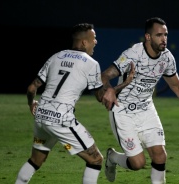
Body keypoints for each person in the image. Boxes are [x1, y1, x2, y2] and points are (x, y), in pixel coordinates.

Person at [15, 23, 134, 184]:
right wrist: (125, 83)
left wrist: (31, 104)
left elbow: (31, 88)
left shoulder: (56, 56)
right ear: (84, 42)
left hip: (41, 115)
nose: (96, 42)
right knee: (96, 160)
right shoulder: (91, 63)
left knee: (36, 160)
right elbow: (102, 97)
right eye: (94, 38)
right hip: (61, 118)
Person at [101, 17, 179, 184]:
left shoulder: (167, 58)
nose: (164, 39)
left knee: (160, 155)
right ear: (148, 37)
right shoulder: (132, 55)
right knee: (137, 163)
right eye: (159, 35)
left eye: (166, 35)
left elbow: (176, 85)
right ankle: (112, 157)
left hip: (146, 108)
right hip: (123, 111)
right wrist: (109, 91)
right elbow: (104, 76)